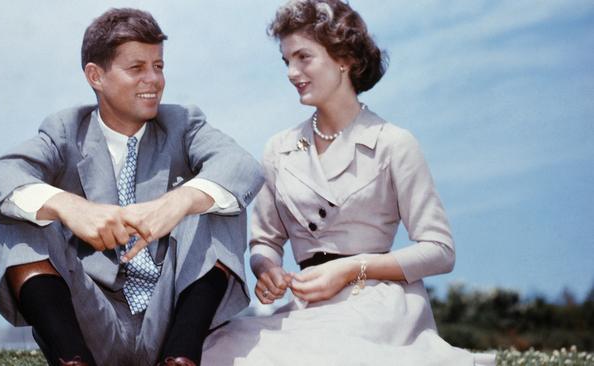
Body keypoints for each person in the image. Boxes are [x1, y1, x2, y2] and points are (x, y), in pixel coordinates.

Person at [201, 1, 496, 365]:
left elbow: (440, 250)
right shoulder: (279, 150)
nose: (292, 72)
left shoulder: (393, 143)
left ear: (345, 59)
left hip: (378, 304)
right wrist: (268, 269)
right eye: (286, 61)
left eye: (303, 57)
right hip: (306, 307)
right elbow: (264, 240)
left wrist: (349, 269)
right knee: (220, 349)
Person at [0, 8, 263, 366]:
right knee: (20, 211)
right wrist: (68, 206)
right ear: (96, 76)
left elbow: (242, 166)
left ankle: (181, 360)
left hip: (170, 320)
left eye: (159, 66)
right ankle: (71, 361)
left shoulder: (183, 123)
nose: (153, 79)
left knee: (215, 198)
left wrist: (179, 202)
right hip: (90, 322)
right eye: (137, 68)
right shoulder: (64, 131)